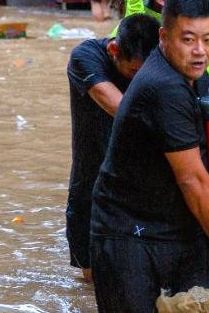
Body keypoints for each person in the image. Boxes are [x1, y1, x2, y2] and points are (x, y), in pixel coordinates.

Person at [89, 0, 209, 313]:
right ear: (164, 38)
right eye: (188, 40)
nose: (200, 51)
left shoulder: (193, 75)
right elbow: (192, 178)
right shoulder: (164, 87)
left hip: (178, 228)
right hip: (128, 233)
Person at [66, 14, 159, 282]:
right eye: (133, 73)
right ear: (114, 50)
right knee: (93, 280)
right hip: (93, 180)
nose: (140, 80)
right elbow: (119, 107)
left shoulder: (157, 60)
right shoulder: (86, 57)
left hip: (139, 183)